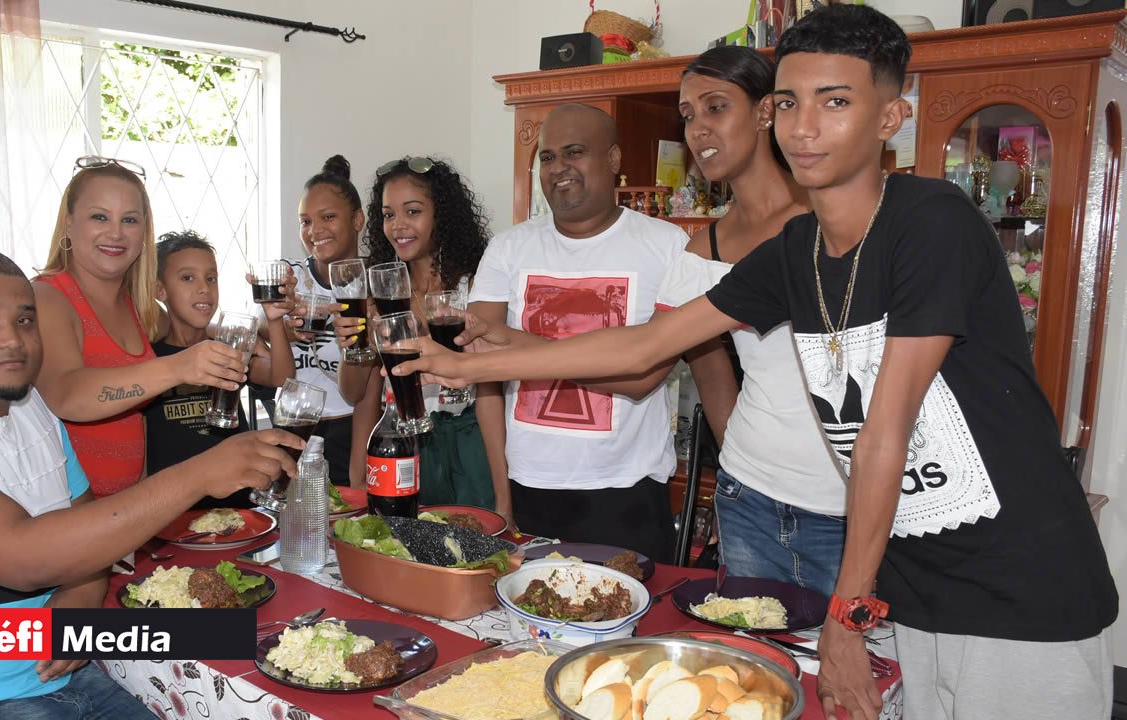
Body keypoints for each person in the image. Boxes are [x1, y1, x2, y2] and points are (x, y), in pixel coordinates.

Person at [394, 7, 1117, 719]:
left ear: (890, 116)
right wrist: (467, 367)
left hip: (1017, 579)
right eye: (790, 103)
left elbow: (883, 428)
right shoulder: (793, 254)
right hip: (917, 571)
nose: (805, 128)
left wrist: (846, 614)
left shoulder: (930, 221)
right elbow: (645, 346)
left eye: (836, 102)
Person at [0, 249, 299, 720]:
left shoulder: (32, 412)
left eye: (25, 321)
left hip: (63, 677)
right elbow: (26, 557)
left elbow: (90, 539)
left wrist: (78, 603)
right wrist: (199, 474)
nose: (13, 340)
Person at [560, 47, 846, 594]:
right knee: (753, 664)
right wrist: (737, 474)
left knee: (853, 669)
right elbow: (681, 366)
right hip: (751, 499)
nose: (698, 129)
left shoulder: (826, 221)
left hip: (846, 500)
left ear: (766, 112)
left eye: (716, 107)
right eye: (688, 115)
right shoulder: (703, 247)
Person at [461, 104, 689, 560]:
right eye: (546, 157)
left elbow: (642, 375)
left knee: (627, 628)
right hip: (528, 485)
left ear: (614, 159)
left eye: (574, 152)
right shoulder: (509, 247)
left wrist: (513, 343)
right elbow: (480, 364)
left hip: (627, 492)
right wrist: (502, 495)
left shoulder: (668, 247)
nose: (558, 168)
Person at [33, 157, 250, 497]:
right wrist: (178, 367)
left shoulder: (141, 309)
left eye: (129, 220)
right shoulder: (47, 296)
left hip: (131, 517)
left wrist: (269, 321)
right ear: (69, 224)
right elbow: (67, 395)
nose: (116, 232)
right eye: (99, 216)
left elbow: (197, 323)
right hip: (67, 518)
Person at [333, 156, 499, 509]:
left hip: (474, 443)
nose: (398, 226)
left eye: (412, 211)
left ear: (442, 214)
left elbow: (493, 381)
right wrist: (353, 345)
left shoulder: (478, 283)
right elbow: (355, 394)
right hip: (407, 442)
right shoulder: (382, 290)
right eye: (389, 215)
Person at [142, 230, 296, 506]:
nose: (204, 288)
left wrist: (274, 320)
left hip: (238, 503)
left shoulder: (228, 346)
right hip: (173, 506)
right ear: (160, 290)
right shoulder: (149, 359)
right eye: (188, 278)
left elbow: (282, 378)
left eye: (211, 278)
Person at [282, 156, 382, 487]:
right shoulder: (290, 279)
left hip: (351, 433)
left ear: (357, 220)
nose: (314, 231)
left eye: (328, 217)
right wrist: (282, 330)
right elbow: (246, 334)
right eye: (305, 221)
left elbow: (361, 393)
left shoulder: (377, 289)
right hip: (293, 433)